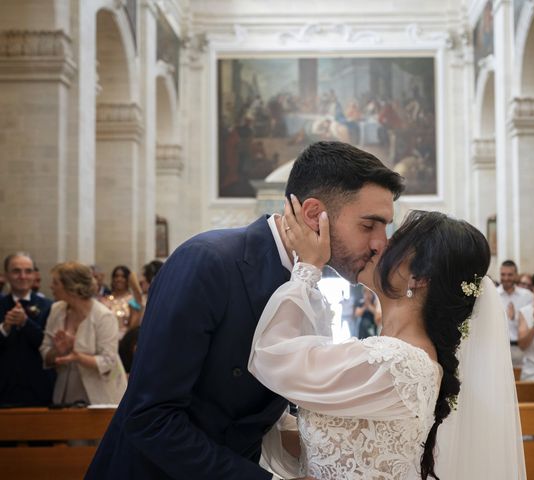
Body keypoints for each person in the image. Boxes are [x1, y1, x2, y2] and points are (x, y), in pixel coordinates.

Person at [86, 141, 404, 479]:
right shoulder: (208, 262)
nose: (381, 243)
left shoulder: (307, 285)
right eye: (369, 225)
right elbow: (151, 418)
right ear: (314, 215)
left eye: (385, 227)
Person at [249, 204, 526, 479]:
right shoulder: (399, 357)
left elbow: (273, 356)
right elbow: (339, 446)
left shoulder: (399, 362)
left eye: (393, 242)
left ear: (418, 278)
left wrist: (308, 267)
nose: (378, 245)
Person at [40, 262, 127, 405]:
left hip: (101, 394)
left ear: (71, 287)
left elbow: (109, 361)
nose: (51, 286)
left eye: (55, 283)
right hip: (65, 394)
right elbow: (45, 351)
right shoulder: (56, 310)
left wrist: (77, 356)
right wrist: (58, 351)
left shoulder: (103, 316)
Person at [0, 252, 54, 406]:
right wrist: (5, 328)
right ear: (6, 276)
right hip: (4, 389)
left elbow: (47, 344)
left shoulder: (49, 306)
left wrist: (25, 323)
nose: (22, 276)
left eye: (28, 271)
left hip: (40, 389)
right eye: (16, 271)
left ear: (34, 274)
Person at [497, 260, 534, 366]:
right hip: (499, 348)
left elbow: (530, 324)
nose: (506, 278)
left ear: (516, 275)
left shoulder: (527, 295)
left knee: (521, 382)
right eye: (503, 274)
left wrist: (515, 317)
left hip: (520, 348)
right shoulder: (494, 294)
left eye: (510, 275)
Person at [99, 265, 143, 340]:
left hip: (125, 341)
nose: (119, 279)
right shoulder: (105, 300)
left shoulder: (133, 300)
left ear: (127, 280)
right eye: (116, 276)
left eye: (123, 277)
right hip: (105, 338)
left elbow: (134, 325)